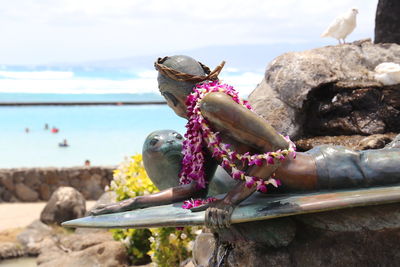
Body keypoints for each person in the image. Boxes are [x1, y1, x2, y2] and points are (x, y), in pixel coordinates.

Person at [91, 55, 400, 228]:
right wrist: (133, 203)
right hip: (309, 175)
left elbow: (277, 150)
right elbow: (195, 187)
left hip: (325, 171)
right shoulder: (203, 118)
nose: (169, 104)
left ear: (174, 95)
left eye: (166, 96)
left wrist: (231, 200)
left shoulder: (213, 104)